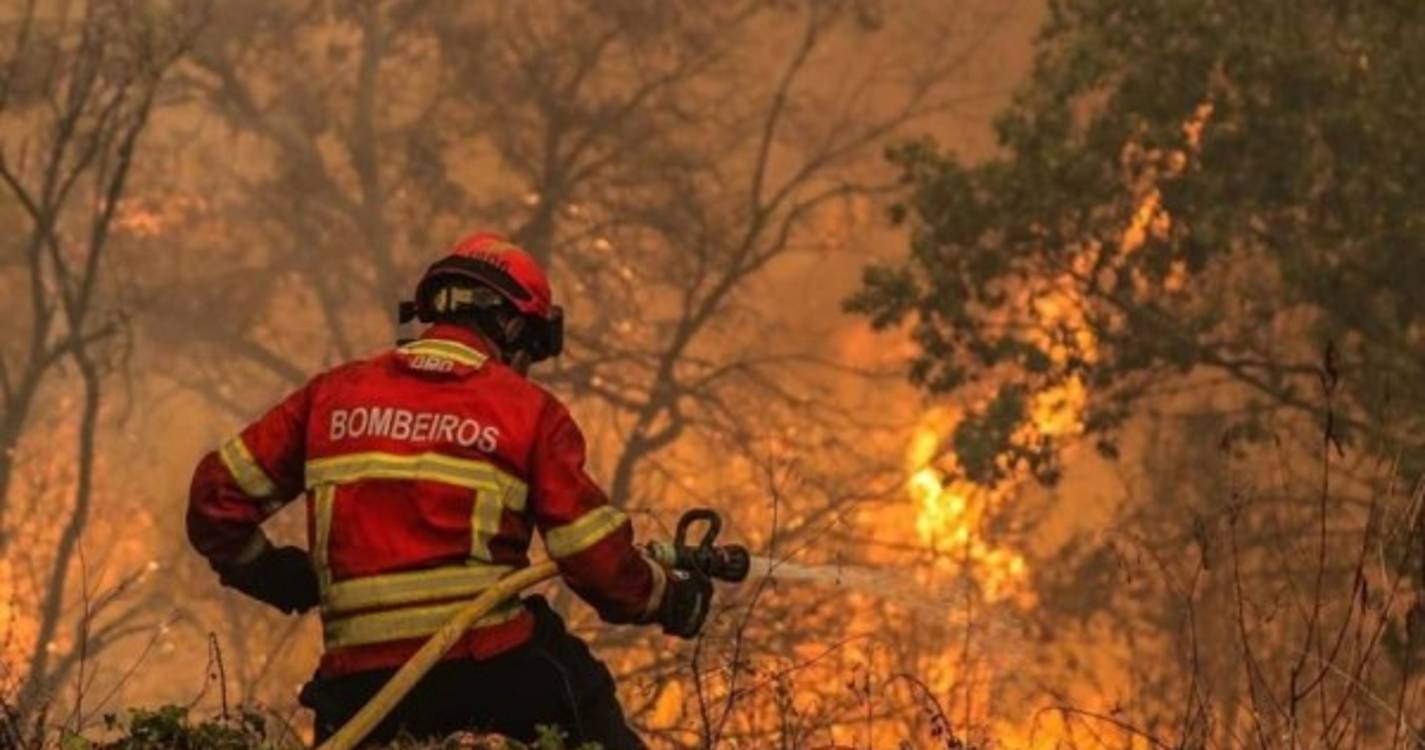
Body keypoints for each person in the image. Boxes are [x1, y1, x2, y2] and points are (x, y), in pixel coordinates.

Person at [186, 232, 711, 749]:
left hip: (360, 687)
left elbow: (216, 498)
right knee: (581, 691)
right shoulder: (527, 412)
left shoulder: (333, 395)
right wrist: (668, 598)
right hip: (487, 664)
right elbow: (591, 556)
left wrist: (270, 572)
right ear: (510, 325)